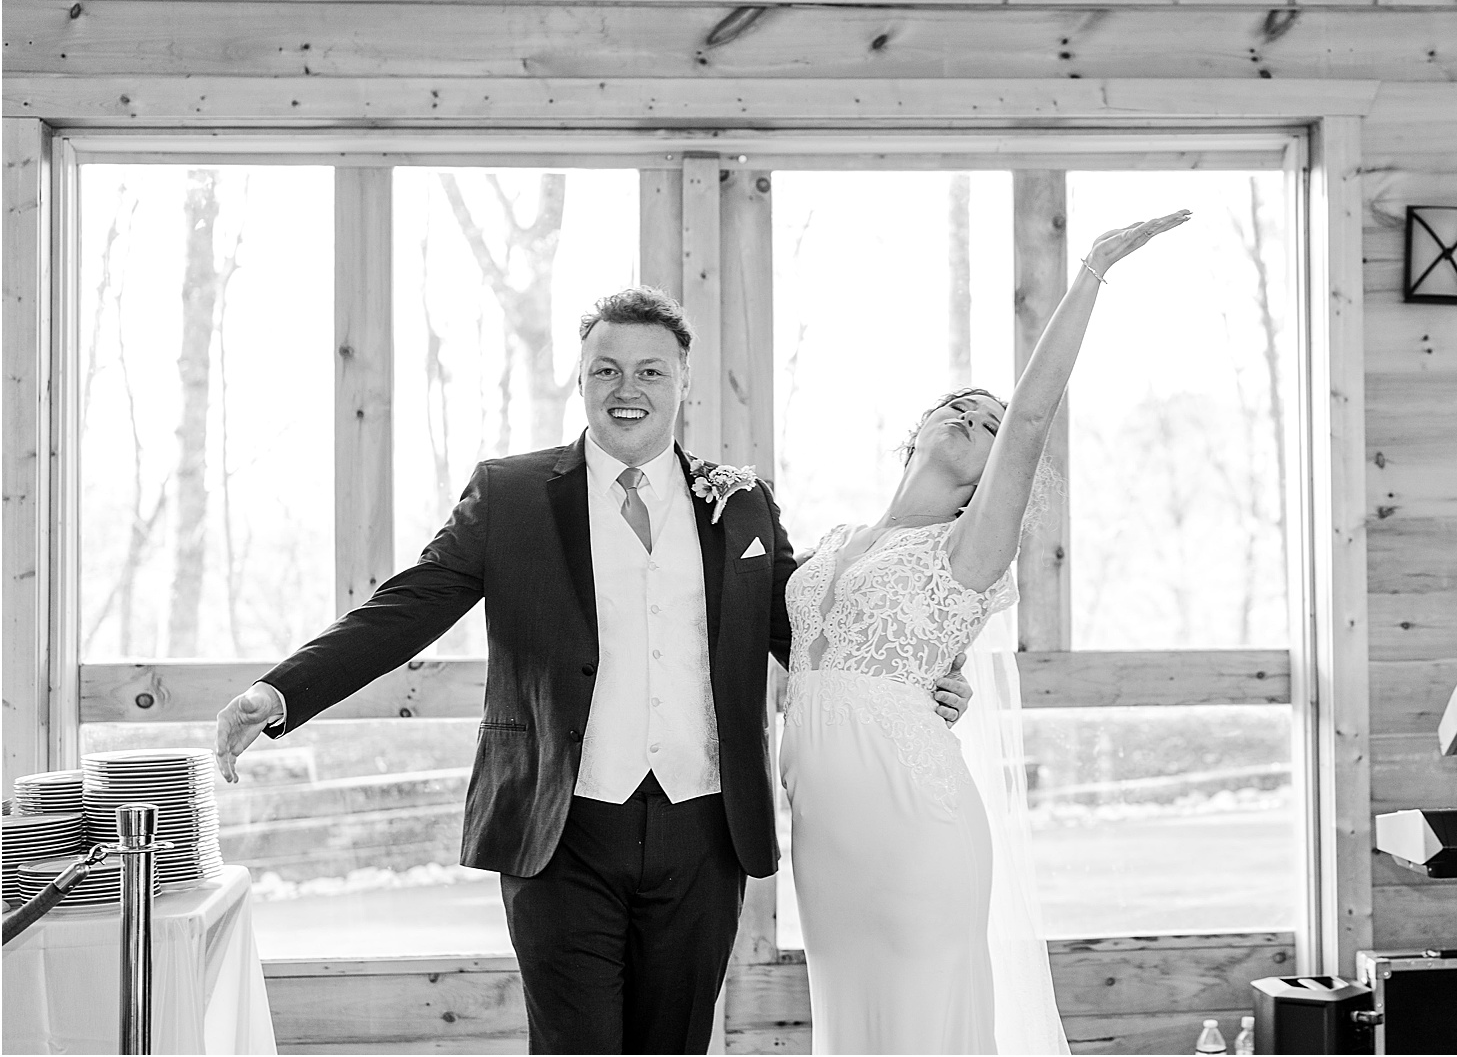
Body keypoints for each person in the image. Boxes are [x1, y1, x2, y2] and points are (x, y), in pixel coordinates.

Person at [214, 288, 972, 1054]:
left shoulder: (741, 506)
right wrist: (278, 689)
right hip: (560, 828)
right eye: (605, 370)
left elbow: (811, 631)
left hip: (705, 831)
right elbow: (409, 606)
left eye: (649, 372)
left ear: (683, 382)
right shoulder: (510, 494)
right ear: (580, 381)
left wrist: (918, 681)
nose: (627, 390)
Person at [782, 209, 1190, 1054]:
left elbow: (1035, 417)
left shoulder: (968, 550)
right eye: (960, 407)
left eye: (991, 423)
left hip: (911, 821)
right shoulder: (831, 544)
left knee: (925, 1022)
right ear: (916, 433)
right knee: (851, 1021)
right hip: (823, 831)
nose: (975, 416)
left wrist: (1091, 272)